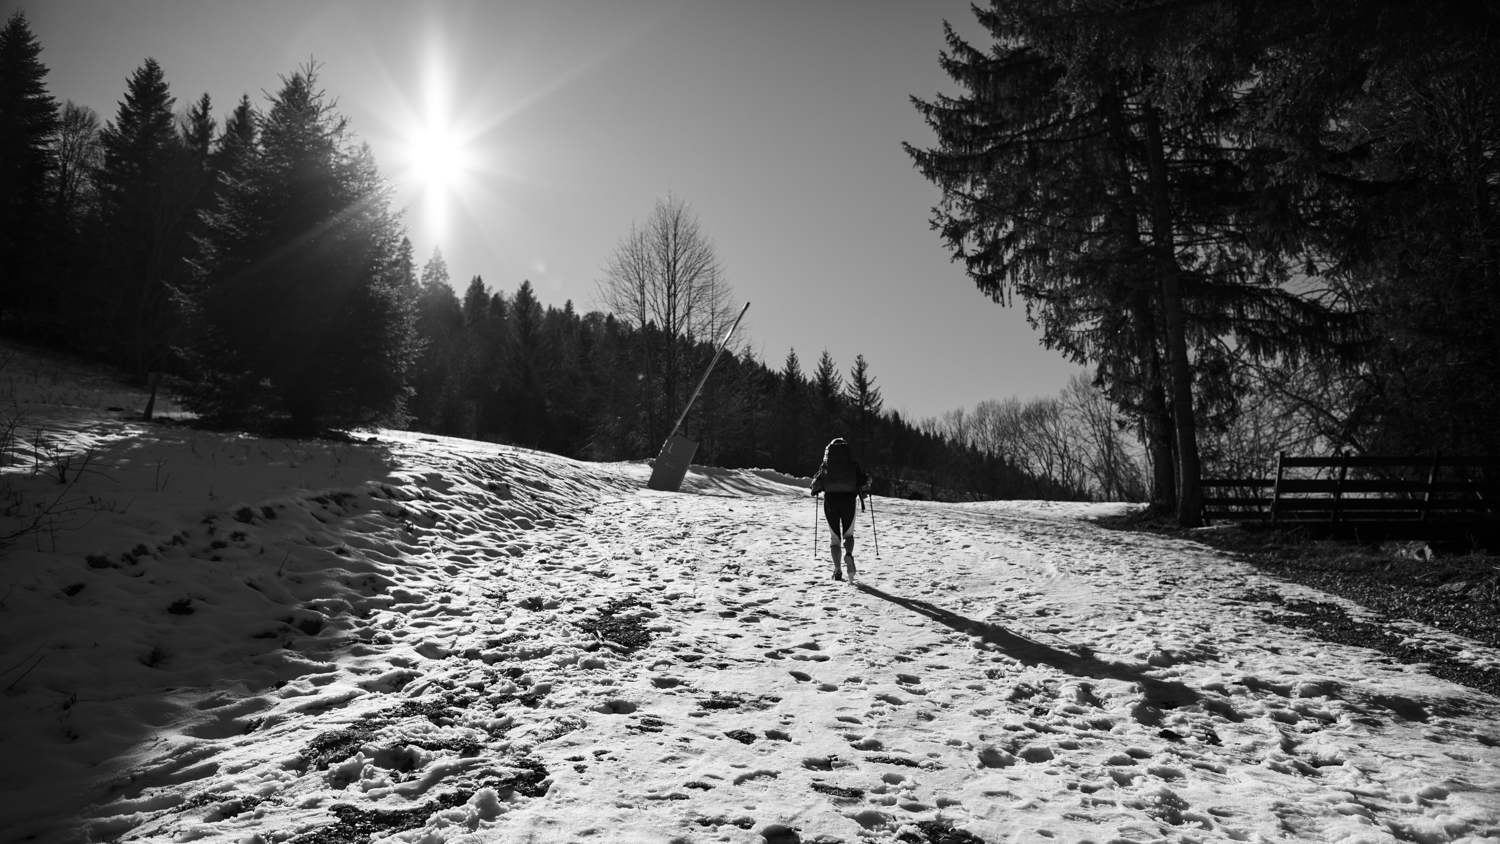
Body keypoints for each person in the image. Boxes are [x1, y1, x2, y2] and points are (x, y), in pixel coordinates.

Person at [809, 437, 871, 581]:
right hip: (848, 500)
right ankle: (848, 554)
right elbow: (863, 482)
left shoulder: (826, 464)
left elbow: (815, 485)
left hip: (831, 500)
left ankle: (837, 571)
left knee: (834, 538)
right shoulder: (852, 464)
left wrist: (817, 489)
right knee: (848, 535)